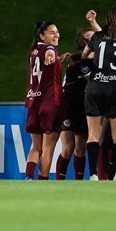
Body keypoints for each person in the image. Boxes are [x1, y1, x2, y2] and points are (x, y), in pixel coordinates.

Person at [82, 7, 116, 181]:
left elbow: (85, 55)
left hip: (96, 87)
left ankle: (92, 174)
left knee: (93, 134)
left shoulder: (97, 37)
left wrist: (97, 56)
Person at [24, 21, 64, 180]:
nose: (57, 35)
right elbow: (49, 54)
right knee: (48, 148)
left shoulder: (33, 51)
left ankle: (28, 177)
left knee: (35, 147)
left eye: (57, 32)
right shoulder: (49, 49)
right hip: (50, 103)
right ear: (42, 35)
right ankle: (42, 182)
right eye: (52, 32)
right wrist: (51, 54)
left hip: (34, 102)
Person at [55, 28, 94, 180]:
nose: (92, 40)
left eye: (94, 37)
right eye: (88, 38)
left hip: (85, 105)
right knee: (68, 148)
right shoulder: (75, 58)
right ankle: (60, 180)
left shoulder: (96, 57)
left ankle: (78, 181)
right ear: (82, 41)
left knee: (80, 148)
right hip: (69, 105)